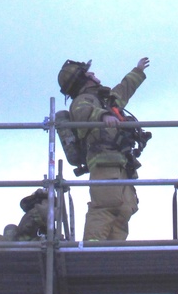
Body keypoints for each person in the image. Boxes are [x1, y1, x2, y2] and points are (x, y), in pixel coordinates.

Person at [58, 56, 149, 241]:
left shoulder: (105, 100)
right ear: (83, 79)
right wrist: (104, 116)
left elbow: (124, 90)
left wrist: (137, 71)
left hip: (121, 163)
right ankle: (91, 252)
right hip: (104, 162)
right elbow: (84, 113)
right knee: (105, 207)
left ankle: (115, 254)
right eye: (88, 73)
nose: (93, 74)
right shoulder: (83, 100)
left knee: (125, 208)